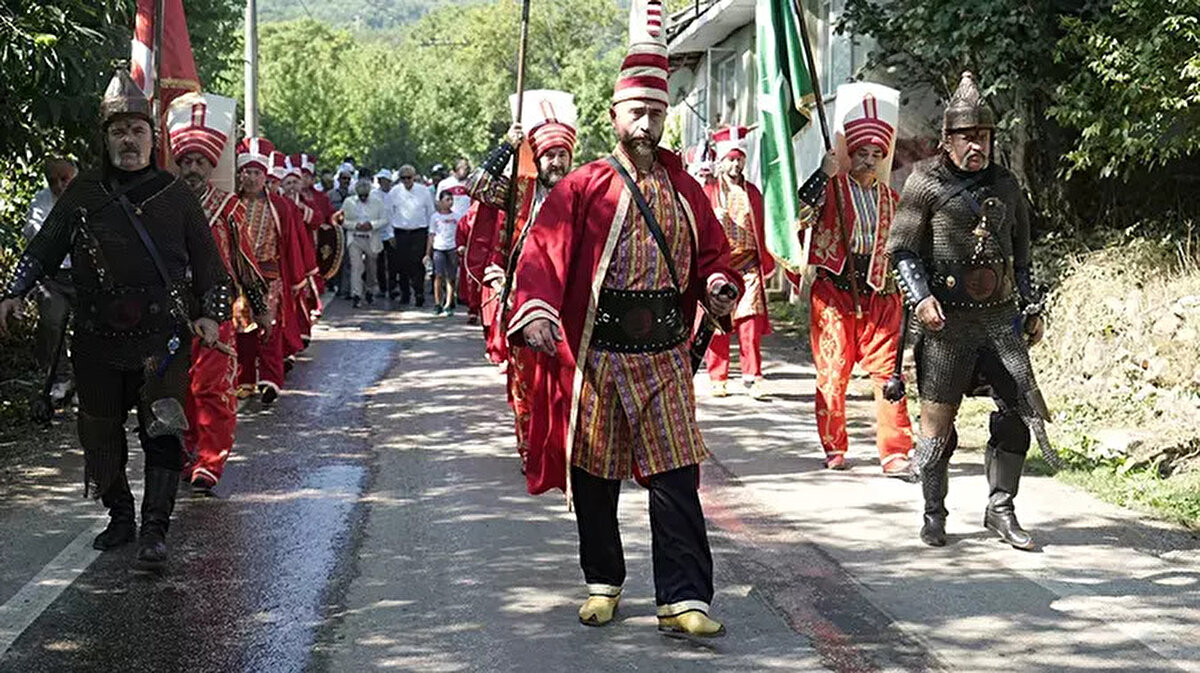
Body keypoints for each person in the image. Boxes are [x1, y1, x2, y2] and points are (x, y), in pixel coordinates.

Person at [508, 0, 740, 637]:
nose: (648, 123)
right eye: (637, 111)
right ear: (613, 116)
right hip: (598, 353)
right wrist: (535, 311)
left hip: (665, 354)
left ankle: (685, 599)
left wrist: (718, 284)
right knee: (595, 474)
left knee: (676, 478)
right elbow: (544, 253)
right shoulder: (582, 185)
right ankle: (603, 581)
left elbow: (713, 255)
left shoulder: (687, 188)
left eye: (658, 112)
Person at [0, 70, 229, 570]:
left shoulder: (175, 196)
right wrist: (13, 291)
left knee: (164, 427)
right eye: (118, 131)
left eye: (138, 130)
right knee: (99, 431)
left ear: (153, 137)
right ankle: (120, 515)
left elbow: (212, 269)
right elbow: (42, 249)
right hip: (97, 335)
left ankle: (155, 528)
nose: (129, 139)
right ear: (105, 139)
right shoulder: (83, 194)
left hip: (161, 336)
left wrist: (210, 316)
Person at [888, 72, 1051, 549]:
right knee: (937, 427)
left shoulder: (1006, 183)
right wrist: (922, 298)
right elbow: (901, 250)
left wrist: (1032, 303)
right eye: (966, 137)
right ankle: (934, 513)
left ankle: (1000, 509)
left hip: (1000, 320)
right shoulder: (924, 182)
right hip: (946, 325)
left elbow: (1021, 255)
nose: (976, 146)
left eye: (982, 136)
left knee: (1016, 416)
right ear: (947, 140)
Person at [795, 83, 914, 475]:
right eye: (861, 152)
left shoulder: (892, 200)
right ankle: (834, 446)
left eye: (875, 154)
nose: (868, 160)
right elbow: (799, 208)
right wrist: (823, 172)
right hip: (835, 291)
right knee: (833, 369)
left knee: (887, 372)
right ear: (850, 154)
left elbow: (905, 245)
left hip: (879, 291)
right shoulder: (831, 187)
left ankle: (894, 450)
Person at [462, 89, 579, 467]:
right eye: (550, 156)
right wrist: (506, 148)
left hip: (569, 297)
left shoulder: (582, 192)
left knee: (568, 378)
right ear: (538, 158)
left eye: (563, 155)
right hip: (521, 298)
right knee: (525, 379)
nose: (557, 162)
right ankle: (531, 446)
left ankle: (570, 450)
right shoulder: (521, 190)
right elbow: (475, 185)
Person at [167, 92, 269, 492]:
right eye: (186, 162)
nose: (192, 169)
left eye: (200, 162)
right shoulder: (162, 205)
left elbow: (244, 261)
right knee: (179, 388)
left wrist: (259, 306)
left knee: (212, 387)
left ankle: (210, 462)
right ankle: (187, 450)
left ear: (212, 166)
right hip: (174, 312)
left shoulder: (227, 208)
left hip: (217, 310)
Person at [234, 137, 309, 405]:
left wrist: (297, 279)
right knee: (243, 328)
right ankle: (244, 379)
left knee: (269, 328)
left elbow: (290, 245)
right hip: (240, 277)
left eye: (256, 173)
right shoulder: (231, 203)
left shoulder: (279, 207)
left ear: (265, 176)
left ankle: (270, 379)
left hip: (270, 276)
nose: (251, 178)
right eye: (247, 172)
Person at [703, 126, 775, 399]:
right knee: (719, 320)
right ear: (721, 162)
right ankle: (718, 375)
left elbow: (763, 226)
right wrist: (714, 218)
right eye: (730, 159)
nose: (735, 164)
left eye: (739, 159)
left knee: (750, 322)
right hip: (720, 266)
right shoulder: (709, 192)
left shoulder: (753, 192)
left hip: (748, 265)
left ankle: (752, 376)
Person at [22, 157, 78, 409]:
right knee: (51, 324)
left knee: (91, 329)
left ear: (75, 176)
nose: (59, 185)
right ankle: (60, 379)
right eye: (53, 180)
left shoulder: (90, 197)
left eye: (64, 179)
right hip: (53, 277)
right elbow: (33, 238)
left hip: (85, 275)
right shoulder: (41, 201)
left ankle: (87, 383)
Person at [388, 164, 435, 306]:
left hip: (419, 232)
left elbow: (430, 212)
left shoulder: (424, 191)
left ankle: (419, 292)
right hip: (401, 232)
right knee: (402, 265)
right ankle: (405, 294)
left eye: (409, 178)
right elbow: (389, 213)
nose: (406, 180)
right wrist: (390, 234)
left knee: (417, 264)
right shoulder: (394, 192)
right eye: (403, 178)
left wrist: (430, 233)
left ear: (413, 177)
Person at [338, 177, 388, 308]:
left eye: (365, 195)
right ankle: (356, 294)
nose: (363, 198)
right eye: (361, 196)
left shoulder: (377, 202)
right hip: (355, 238)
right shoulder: (349, 202)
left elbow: (384, 220)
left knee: (371, 268)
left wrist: (371, 225)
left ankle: (370, 290)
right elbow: (341, 220)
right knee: (356, 267)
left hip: (371, 238)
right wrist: (355, 225)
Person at [426, 191, 460, 315]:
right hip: (439, 248)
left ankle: (448, 303)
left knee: (451, 277)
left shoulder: (456, 217)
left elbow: (460, 233)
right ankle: (437, 303)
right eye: (447, 200)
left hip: (452, 248)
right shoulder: (435, 217)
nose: (450, 202)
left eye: (451, 200)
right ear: (440, 201)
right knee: (438, 276)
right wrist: (427, 253)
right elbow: (431, 235)